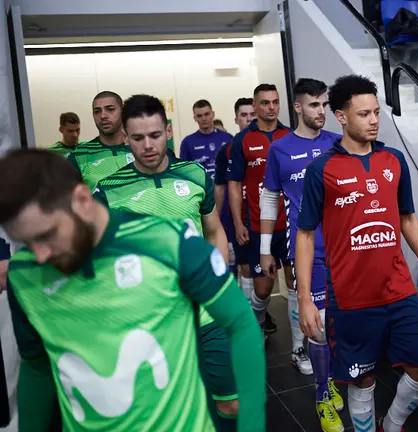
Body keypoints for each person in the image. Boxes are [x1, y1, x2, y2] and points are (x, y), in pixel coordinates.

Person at [0, 150, 266, 431]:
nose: (40, 255)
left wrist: (252, 423)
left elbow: (240, 322)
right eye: (26, 243)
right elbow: (37, 366)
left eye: (46, 235)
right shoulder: (24, 274)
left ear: (80, 200)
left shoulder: (166, 243)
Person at [92, 94, 240, 431]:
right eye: (139, 137)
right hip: (152, 322)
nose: (147, 145)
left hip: (206, 312)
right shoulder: (108, 192)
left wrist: (220, 281)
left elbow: (214, 231)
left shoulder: (194, 174)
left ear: (168, 131)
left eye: (155, 135)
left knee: (230, 403)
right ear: (126, 137)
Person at [296, 75, 418, 432]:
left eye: (376, 112)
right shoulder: (321, 170)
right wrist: (305, 300)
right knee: (362, 380)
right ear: (341, 117)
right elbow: (306, 235)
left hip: (400, 290)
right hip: (351, 297)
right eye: (363, 114)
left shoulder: (394, 160)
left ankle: (392, 423)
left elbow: (408, 220)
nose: (374, 120)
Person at [260, 78, 343, 432]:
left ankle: (333, 378)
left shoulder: (337, 143)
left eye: (324, 104)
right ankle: (323, 394)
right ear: (297, 107)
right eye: (313, 105)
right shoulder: (280, 148)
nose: (321, 111)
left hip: (345, 249)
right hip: (309, 251)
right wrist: (265, 248)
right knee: (319, 327)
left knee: (340, 323)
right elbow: (270, 197)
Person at [227, 84, 292, 336]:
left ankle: (298, 348)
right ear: (255, 107)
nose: (271, 107)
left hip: (289, 226)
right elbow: (234, 184)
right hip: (257, 227)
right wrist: (237, 222)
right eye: (265, 103)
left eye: (275, 102)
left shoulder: (290, 135)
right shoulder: (243, 139)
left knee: (296, 285)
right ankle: (258, 322)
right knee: (263, 289)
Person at [215, 98, 255, 275]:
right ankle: (247, 303)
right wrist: (216, 220)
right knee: (245, 267)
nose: (249, 119)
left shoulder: (274, 146)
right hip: (240, 218)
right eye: (244, 115)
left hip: (269, 217)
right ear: (236, 119)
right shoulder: (226, 150)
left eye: (252, 115)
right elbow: (220, 187)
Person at [67, 91, 133, 190]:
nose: (103, 116)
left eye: (110, 109)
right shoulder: (79, 156)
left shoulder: (140, 147)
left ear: (123, 112)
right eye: (97, 111)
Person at [179, 100, 233, 178]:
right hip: (202, 189)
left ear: (213, 114)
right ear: (194, 118)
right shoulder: (187, 142)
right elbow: (184, 172)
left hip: (226, 188)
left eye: (207, 114)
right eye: (199, 116)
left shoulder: (228, 138)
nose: (204, 118)